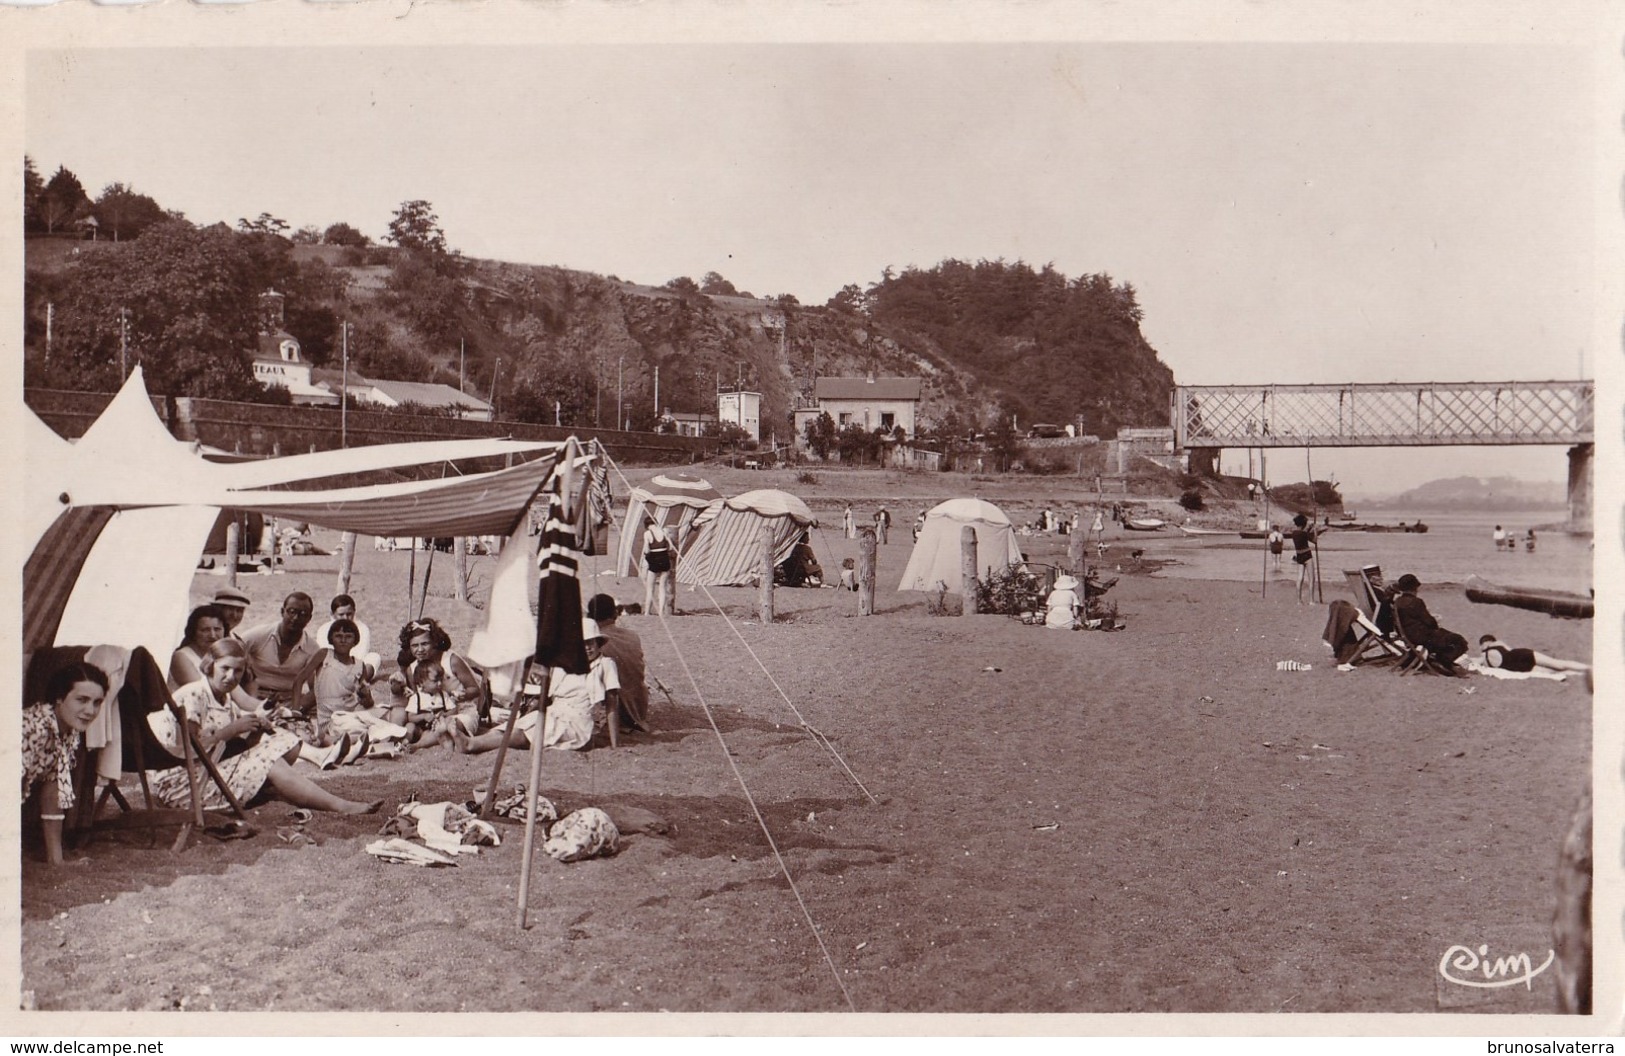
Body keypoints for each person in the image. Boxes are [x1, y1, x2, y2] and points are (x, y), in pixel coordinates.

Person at [151, 640, 380, 814]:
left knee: (278, 742)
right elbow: (185, 752)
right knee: (268, 761)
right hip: (180, 786)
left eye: (238, 671)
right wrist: (231, 730)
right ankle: (340, 805)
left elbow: (232, 750)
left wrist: (255, 732)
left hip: (203, 774)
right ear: (210, 666)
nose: (231, 677)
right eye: (225, 669)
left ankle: (319, 786)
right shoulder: (194, 696)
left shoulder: (223, 700)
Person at [454, 618, 621, 754]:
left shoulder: (605, 665)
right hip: (555, 713)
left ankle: (470, 745)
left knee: (523, 734)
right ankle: (467, 740)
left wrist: (615, 744)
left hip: (577, 722)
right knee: (508, 728)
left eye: (590, 643)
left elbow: (612, 703)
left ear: (598, 643)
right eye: (581, 644)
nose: (586, 648)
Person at [24, 661, 109, 865]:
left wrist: (57, 860)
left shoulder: (69, 733)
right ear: (59, 698)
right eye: (82, 700)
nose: (90, 710)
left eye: (97, 702)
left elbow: (53, 789)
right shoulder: (34, 728)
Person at [291, 618, 387, 754]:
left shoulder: (360, 666)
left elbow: (368, 702)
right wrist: (295, 714)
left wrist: (364, 694)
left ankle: (351, 740)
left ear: (355, 641)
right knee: (366, 727)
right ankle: (350, 740)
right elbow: (298, 681)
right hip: (331, 719)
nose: (343, 640)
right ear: (331, 639)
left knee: (384, 715)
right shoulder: (324, 655)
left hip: (353, 714)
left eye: (348, 637)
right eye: (338, 636)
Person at [387, 618, 483, 750]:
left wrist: (462, 695)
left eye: (425, 644)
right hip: (431, 715)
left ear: (434, 642)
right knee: (415, 725)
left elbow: (475, 689)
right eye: (415, 646)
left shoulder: (451, 660)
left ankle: (418, 745)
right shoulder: (413, 668)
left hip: (460, 711)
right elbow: (419, 699)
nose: (420, 650)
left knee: (448, 725)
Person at [238, 592, 321, 707]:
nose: (296, 618)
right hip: (253, 696)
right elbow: (231, 654)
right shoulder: (257, 636)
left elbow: (316, 690)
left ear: (309, 618)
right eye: (291, 612)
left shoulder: (312, 649)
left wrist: (295, 708)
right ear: (282, 612)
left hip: (289, 700)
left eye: (303, 614)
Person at [588, 594, 650, 732]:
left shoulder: (596, 643)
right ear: (615, 613)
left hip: (616, 711)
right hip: (638, 708)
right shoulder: (632, 636)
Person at [1390, 574, 1469, 668]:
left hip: (1408, 635)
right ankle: (1443, 661)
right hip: (1421, 637)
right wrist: (1435, 621)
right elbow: (1430, 622)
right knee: (1459, 641)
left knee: (1446, 637)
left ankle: (1440, 659)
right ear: (1415, 588)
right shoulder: (1416, 602)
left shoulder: (1398, 601)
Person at [170, 604, 229, 690]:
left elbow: (242, 698)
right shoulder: (180, 657)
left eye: (217, 629)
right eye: (205, 630)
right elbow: (204, 694)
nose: (212, 635)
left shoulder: (222, 657)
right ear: (193, 633)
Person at [314, 594, 375, 670]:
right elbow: (324, 654)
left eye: (349, 614)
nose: (345, 618)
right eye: (341, 614)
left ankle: (356, 679)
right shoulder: (324, 629)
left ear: (354, 612)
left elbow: (361, 656)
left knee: (374, 657)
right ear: (332, 614)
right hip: (331, 668)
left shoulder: (362, 628)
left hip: (354, 666)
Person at [1477, 635, 1589, 675]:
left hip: (1519, 666)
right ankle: (1585, 669)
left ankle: (1585, 669)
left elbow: (1475, 663)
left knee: (1555, 669)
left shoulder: (1486, 655)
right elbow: (1510, 650)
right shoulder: (1497, 644)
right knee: (1558, 665)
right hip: (1522, 656)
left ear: (1484, 643)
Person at [642, 519, 676, 615]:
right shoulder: (664, 531)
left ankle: (647, 612)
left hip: (654, 560)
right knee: (662, 586)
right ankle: (661, 611)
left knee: (650, 588)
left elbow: (647, 550)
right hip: (664, 559)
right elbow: (671, 547)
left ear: (647, 525)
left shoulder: (648, 533)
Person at [1290, 514, 1317, 603]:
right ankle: (1311, 600)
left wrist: (1309, 529)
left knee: (1300, 577)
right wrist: (1315, 531)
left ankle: (1299, 600)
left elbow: (1304, 534)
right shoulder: (1304, 534)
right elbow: (1314, 541)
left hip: (1299, 556)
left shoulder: (1294, 534)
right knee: (1311, 578)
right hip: (1307, 555)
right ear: (1303, 524)